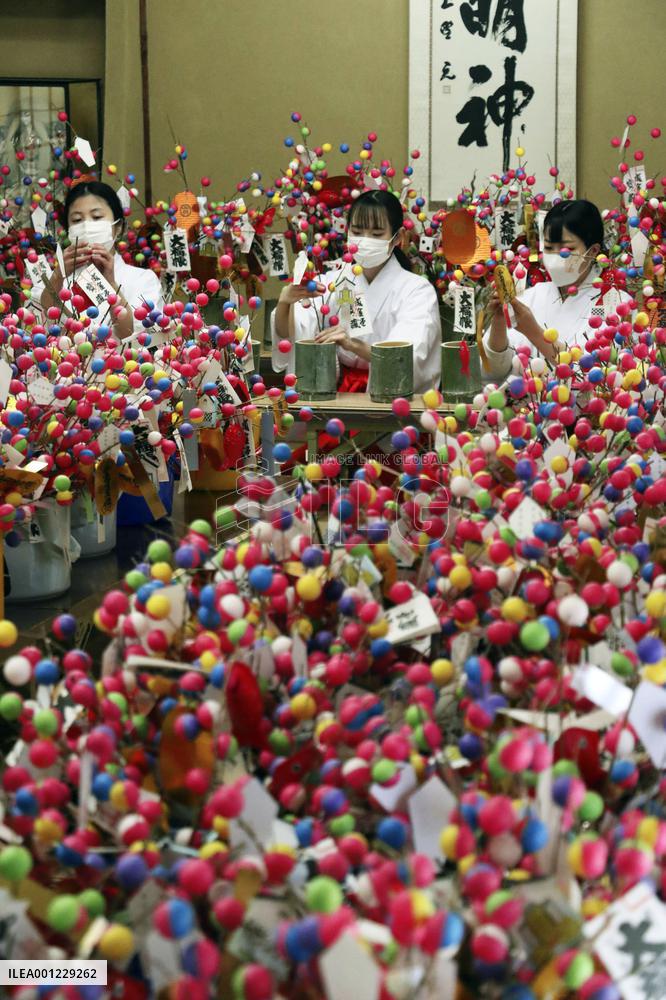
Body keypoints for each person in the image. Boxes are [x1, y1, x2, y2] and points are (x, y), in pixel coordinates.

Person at [272, 189, 441, 394]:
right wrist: (285, 304)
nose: (365, 240)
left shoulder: (417, 291)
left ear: (398, 238)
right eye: (357, 232)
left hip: (391, 395)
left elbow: (408, 356)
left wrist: (353, 345)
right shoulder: (332, 282)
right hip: (337, 394)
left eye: (377, 234)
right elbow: (292, 333)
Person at [483, 199, 628, 380]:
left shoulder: (615, 303)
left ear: (592, 251)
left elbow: (593, 377)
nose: (555, 256)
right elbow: (492, 373)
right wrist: (498, 323)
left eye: (566, 249)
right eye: (550, 248)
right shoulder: (531, 295)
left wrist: (534, 333)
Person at [34, 180, 163, 339]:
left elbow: (136, 338)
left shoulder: (142, 280)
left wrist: (111, 285)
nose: (87, 225)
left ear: (119, 226)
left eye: (96, 217)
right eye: (76, 220)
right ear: (68, 231)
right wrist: (57, 277)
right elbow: (40, 325)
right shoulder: (54, 281)